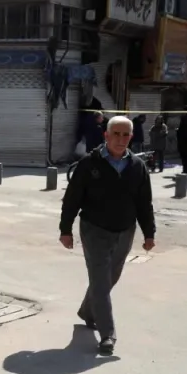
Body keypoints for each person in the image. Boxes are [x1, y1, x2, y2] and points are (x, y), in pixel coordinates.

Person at [59, 115, 156, 356]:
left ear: (131, 137)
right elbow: (72, 198)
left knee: (110, 277)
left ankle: (87, 311)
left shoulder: (137, 166)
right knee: (101, 282)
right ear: (106, 135)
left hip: (125, 230)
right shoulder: (89, 164)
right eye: (116, 134)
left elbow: (144, 203)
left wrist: (149, 233)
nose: (120, 139)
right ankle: (107, 335)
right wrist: (65, 229)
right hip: (95, 229)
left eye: (125, 135)